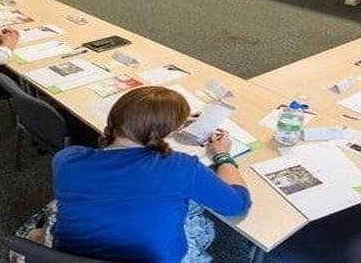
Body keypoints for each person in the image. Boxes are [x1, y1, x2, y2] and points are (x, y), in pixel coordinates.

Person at [47, 86, 251, 262]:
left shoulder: (67, 159)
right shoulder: (181, 167)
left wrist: (166, 123)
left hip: (68, 256)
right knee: (193, 211)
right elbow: (237, 205)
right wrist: (223, 155)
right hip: (154, 259)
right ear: (170, 130)